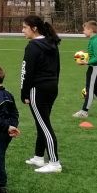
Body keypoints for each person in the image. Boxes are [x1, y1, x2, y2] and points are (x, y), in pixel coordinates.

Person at [21, 15, 63, 174]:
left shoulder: (32, 46)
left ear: (34, 28)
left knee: (44, 125)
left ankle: (54, 162)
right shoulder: (51, 42)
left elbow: (26, 72)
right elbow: (58, 68)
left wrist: (24, 93)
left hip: (38, 90)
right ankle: (39, 157)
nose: (22, 30)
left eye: (25, 27)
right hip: (52, 87)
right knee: (42, 122)